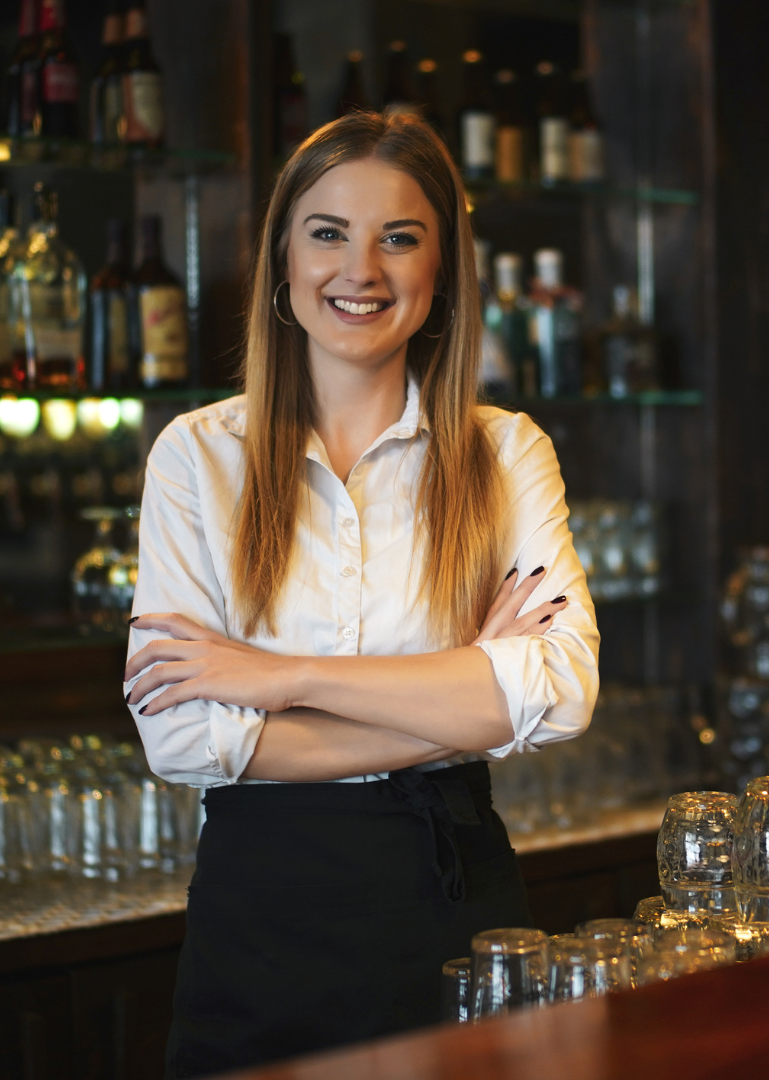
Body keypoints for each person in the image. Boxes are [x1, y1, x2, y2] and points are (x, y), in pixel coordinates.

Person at [122, 110, 599, 1079]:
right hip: (260, 924)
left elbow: (562, 689)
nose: (361, 270)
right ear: (283, 262)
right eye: (328, 232)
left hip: (456, 902)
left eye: (401, 237)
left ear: (443, 272)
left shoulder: (507, 453)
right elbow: (180, 741)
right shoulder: (198, 457)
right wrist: (469, 700)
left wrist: (278, 676)